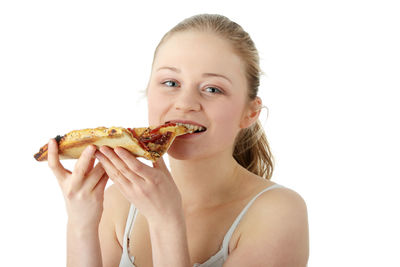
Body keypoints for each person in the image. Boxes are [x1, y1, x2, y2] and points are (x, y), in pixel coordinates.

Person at [47, 14, 309, 267]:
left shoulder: (279, 213)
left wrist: (166, 221)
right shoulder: (119, 202)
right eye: (171, 83)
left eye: (212, 89)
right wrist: (81, 222)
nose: (184, 104)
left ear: (249, 112)